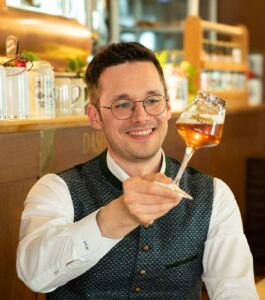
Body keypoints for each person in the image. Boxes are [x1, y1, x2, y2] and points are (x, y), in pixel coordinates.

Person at [16, 42, 259, 299]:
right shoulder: (56, 189)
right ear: (95, 116)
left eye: (152, 100)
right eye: (122, 104)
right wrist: (116, 217)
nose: (141, 116)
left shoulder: (214, 195)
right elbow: (33, 274)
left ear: (167, 107)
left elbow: (236, 291)